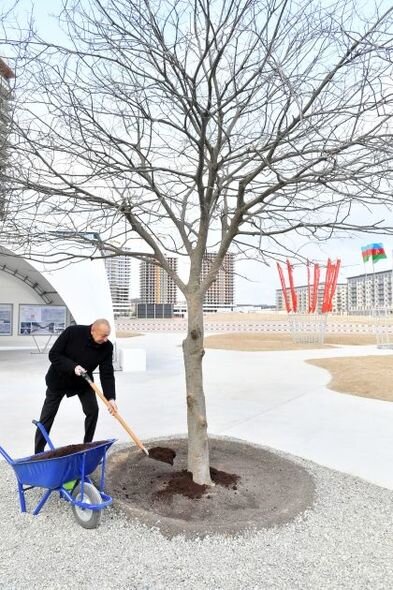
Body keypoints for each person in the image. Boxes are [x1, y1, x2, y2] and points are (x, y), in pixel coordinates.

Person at [34, 318, 118, 454]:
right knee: (47, 416)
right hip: (59, 379)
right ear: (92, 330)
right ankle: (38, 452)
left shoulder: (107, 347)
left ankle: (87, 447)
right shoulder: (72, 332)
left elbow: (107, 372)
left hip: (84, 381)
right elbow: (54, 354)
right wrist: (72, 367)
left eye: (108, 335)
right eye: (103, 335)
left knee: (93, 411)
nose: (106, 339)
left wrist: (111, 398)